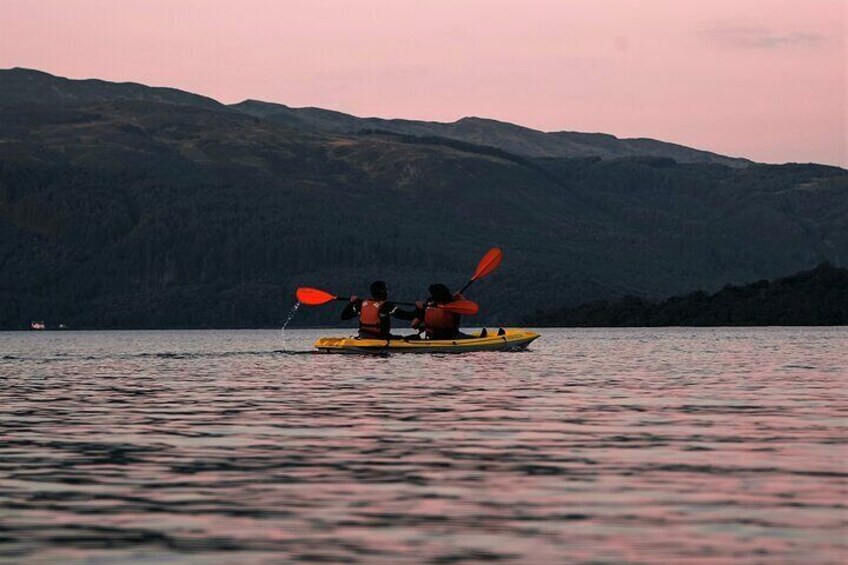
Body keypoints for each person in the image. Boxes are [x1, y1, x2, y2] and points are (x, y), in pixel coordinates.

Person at [341, 280, 417, 339]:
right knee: (415, 337)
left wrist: (351, 303)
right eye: (386, 290)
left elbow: (344, 316)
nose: (387, 292)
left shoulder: (360, 305)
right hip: (381, 338)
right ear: (382, 292)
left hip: (363, 337)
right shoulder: (386, 306)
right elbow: (408, 317)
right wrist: (419, 309)